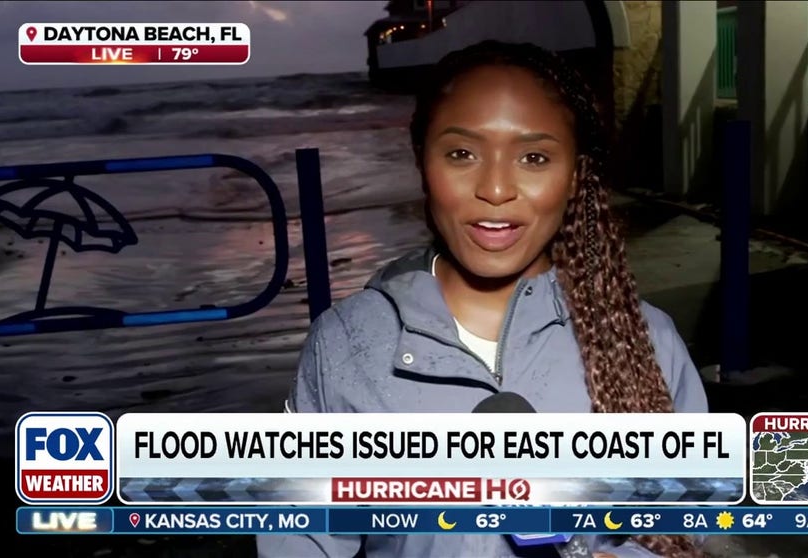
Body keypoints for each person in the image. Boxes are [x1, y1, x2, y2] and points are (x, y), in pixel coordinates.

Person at [257, 40, 708, 558]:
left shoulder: (647, 342)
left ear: (575, 176)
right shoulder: (344, 346)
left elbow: (685, 517)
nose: (495, 188)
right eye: (462, 153)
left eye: (534, 157)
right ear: (422, 162)